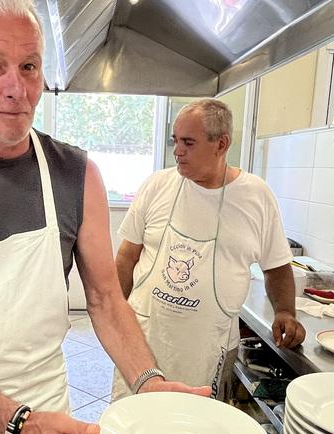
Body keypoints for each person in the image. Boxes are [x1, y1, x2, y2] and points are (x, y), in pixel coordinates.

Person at [0, 1, 208, 432]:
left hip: (44, 409)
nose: (17, 88)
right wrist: (13, 420)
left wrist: (147, 380)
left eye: (29, 67)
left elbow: (105, 298)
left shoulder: (77, 173)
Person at [111, 99, 306, 401]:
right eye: (175, 141)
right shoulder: (157, 186)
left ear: (221, 144)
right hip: (146, 339)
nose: (177, 151)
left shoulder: (255, 196)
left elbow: (277, 266)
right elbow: (126, 258)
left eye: (188, 143)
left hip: (208, 347)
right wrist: (114, 318)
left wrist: (285, 311)